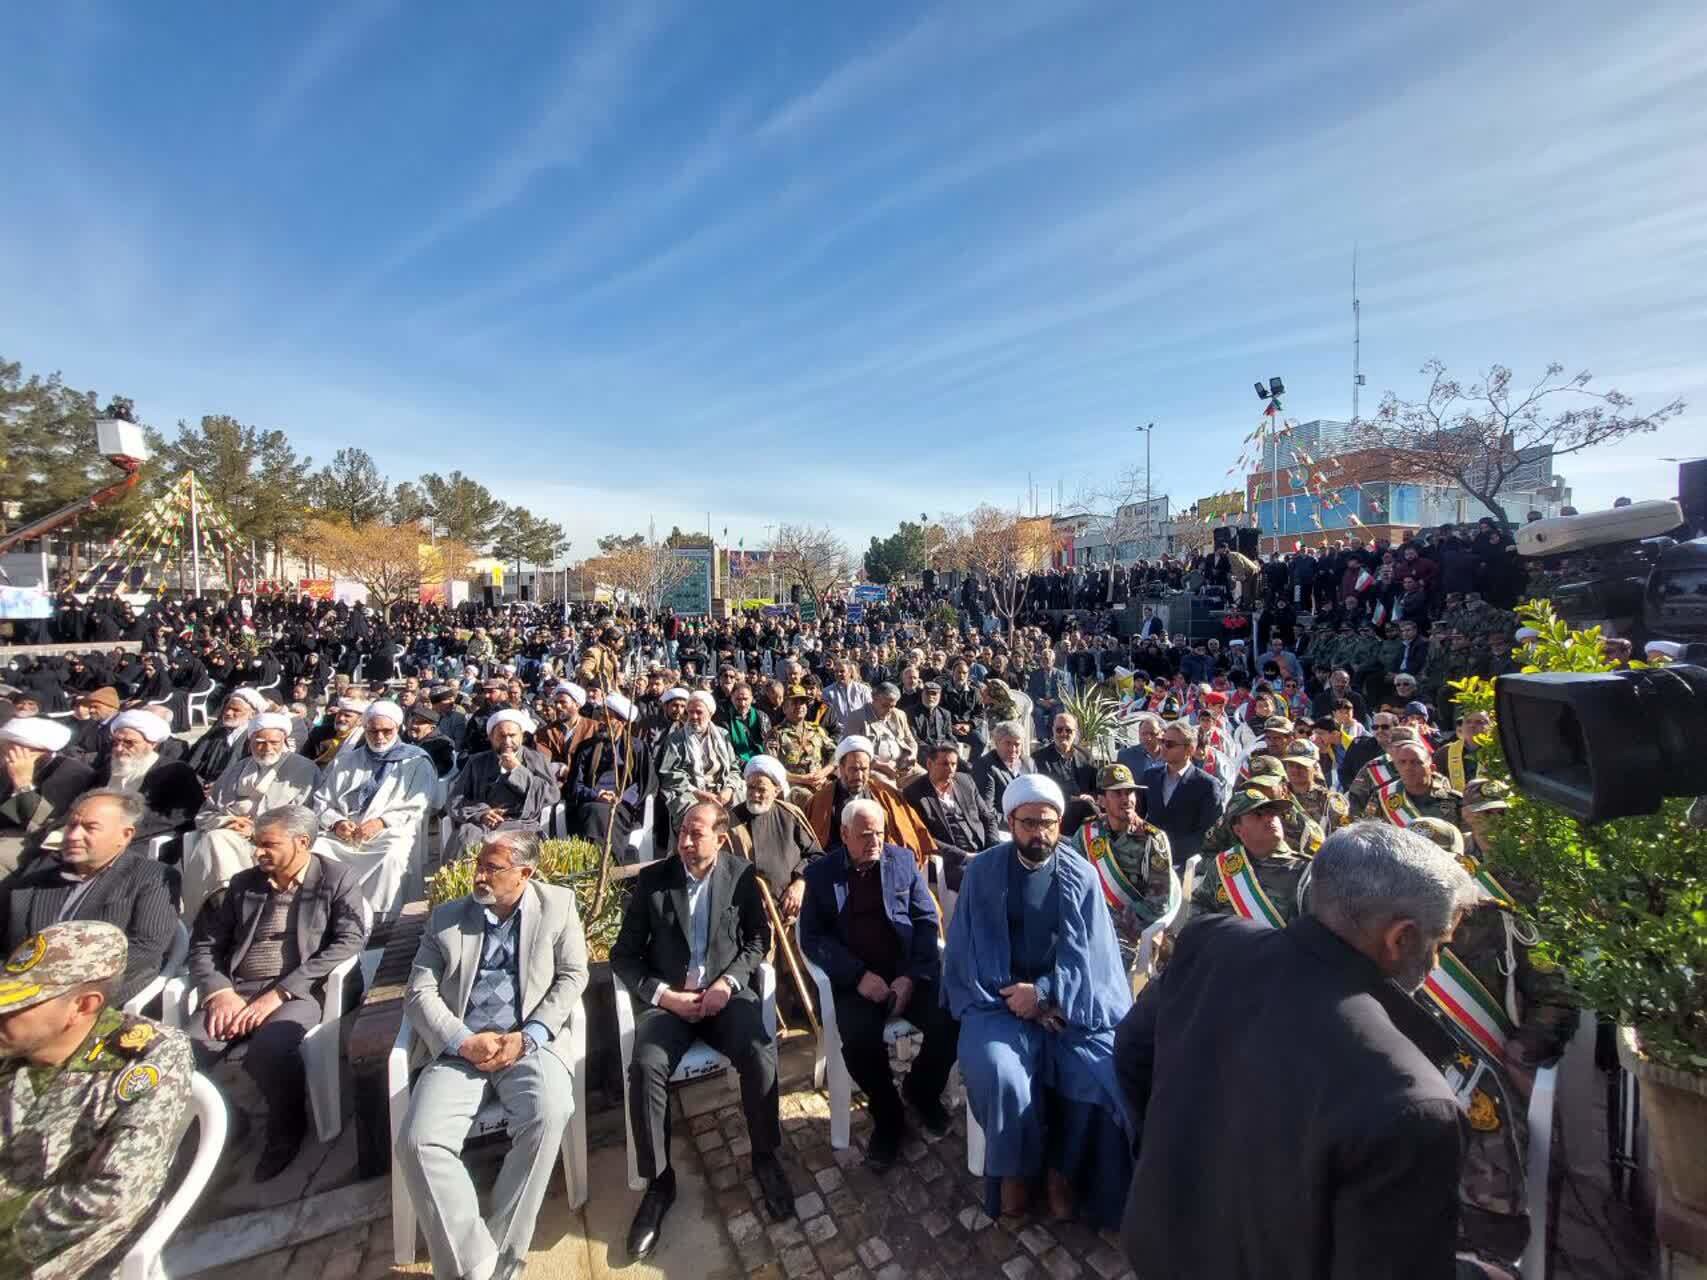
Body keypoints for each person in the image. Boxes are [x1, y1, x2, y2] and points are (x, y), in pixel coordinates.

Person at [1115, 823, 1501, 1280]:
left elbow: (1131, 1051)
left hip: (1157, 1241)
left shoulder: (1211, 943)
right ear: (1401, 938)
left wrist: (1165, 1154)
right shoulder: (1415, 1102)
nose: (1436, 962)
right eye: (1439, 945)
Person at [395, 826, 590, 1280]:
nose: (479, 876)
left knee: (551, 1112)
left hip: (527, 1043)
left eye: (492, 868)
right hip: (459, 1047)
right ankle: (477, 1263)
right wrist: (462, 1040)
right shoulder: (447, 918)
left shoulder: (558, 906)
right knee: (418, 1141)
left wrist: (532, 1034)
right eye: (478, 866)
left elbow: (573, 976)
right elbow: (419, 992)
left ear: (525, 873)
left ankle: (502, 1257)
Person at [943, 775, 1135, 1227]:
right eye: (1028, 823)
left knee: (1100, 1071)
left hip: (1069, 1005)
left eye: (1047, 823)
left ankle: (1061, 1174)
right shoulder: (983, 872)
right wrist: (1018, 998)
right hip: (997, 1001)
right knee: (1001, 1072)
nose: (1039, 834)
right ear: (1011, 822)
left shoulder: (1082, 876)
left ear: (1059, 823)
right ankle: (1016, 1175)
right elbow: (968, 950)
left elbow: (1093, 959)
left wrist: (1047, 994)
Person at [610, 801, 794, 1260]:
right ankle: (659, 1182)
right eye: (682, 833)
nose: (686, 842)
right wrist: (664, 996)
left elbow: (758, 940)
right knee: (646, 1066)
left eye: (696, 834)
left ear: (721, 838)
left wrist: (727, 985)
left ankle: (765, 1156)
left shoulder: (740, 876)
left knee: (759, 1051)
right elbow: (623, 955)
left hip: (722, 999)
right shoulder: (654, 881)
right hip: (671, 1004)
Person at [0, 921, 195, 1280]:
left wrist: (9, 1227)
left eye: (18, 1005)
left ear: (82, 1006)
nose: (2, 1013)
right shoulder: (12, 1051)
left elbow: (118, 1191)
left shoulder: (142, 1057)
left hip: (48, 1255)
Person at [187, 805, 370, 1179]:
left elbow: (349, 940)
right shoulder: (243, 885)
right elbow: (205, 945)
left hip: (302, 990)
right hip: (238, 990)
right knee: (181, 1052)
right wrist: (219, 992)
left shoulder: (335, 878)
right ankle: (227, 1120)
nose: (258, 852)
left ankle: (286, 1127)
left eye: (268, 844)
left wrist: (282, 992)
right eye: (256, 843)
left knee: (269, 1050)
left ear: (301, 842)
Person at [798, 797, 958, 1171]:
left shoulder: (901, 860)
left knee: (952, 1017)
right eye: (865, 834)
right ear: (844, 834)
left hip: (904, 972)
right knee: (858, 1042)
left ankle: (921, 1089)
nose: (875, 842)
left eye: (880, 834)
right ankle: (888, 1114)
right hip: (855, 980)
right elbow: (812, 937)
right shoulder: (821, 875)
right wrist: (856, 976)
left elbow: (925, 921)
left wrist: (910, 977)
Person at [0, 789, 179, 1006]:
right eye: (71, 825)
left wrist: (61, 980)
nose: (73, 836)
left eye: (90, 828)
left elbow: (145, 948)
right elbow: (10, 935)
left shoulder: (152, 877)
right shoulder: (40, 871)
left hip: (90, 994)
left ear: (125, 835)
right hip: (20, 984)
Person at [182, 712, 320, 924]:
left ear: (284, 740)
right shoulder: (237, 769)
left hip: (278, 841)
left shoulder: (304, 769)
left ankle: (233, 908)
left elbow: (306, 819)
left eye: (274, 742)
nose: (267, 748)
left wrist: (257, 830)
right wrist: (229, 821)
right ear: (250, 741)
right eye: (260, 742)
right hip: (232, 836)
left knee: (216, 841)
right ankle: (222, 907)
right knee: (215, 839)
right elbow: (205, 813)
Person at [311, 699, 435, 921]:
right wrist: (337, 823)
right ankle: (323, 915)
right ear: (365, 729)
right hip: (344, 835)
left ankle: (380, 920)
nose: (380, 737)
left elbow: (419, 803)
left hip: (389, 831)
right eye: (373, 731)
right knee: (317, 849)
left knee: (391, 856)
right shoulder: (346, 761)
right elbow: (322, 801)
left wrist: (381, 822)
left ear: (398, 728)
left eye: (387, 731)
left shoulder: (416, 760)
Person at [1072, 763, 1172, 955]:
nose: (1126, 799)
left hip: (1129, 932)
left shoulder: (1152, 839)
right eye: (1117, 793)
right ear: (1101, 801)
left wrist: (1110, 923)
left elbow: (1157, 904)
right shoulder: (1087, 833)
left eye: (1130, 792)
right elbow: (1071, 880)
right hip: (1088, 922)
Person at [1189, 786, 1314, 927]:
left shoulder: (1305, 870)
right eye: (1258, 815)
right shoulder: (1225, 864)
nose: (1269, 818)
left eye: (1272, 813)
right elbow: (1199, 909)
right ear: (1238, 830)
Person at [444, 710, 562, 858]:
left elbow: (552, 795)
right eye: (501, 736)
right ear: (491, 737)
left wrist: (517, 771)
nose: (507, 741)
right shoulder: (476, 762)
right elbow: (455, 800)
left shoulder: (536, 759)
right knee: (466, 837)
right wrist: (482, 813)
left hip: (521, 824)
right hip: (482, 825)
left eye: (512, 736)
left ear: (522, 736)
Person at [804, 736, 937, 866]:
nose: (859, 776)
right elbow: (815, 847)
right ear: (841, 768)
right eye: (853, 769)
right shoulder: (821, 801)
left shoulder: (886, 794)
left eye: (864, 769)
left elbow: (910, 834)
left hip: (883, 863)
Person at [92, 710, 203, 858]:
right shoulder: (110, 765)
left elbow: (178, 817)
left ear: (152, 744)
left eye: (129, 743)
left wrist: (120, 829)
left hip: (143, 838)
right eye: (116, 742)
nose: (119, 748)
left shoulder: (176, 771)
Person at [727, 755, 822, 921]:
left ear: (776, 790)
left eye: (761, 789)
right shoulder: (731, 819)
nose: (754, 794)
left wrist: (800, 883)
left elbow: (815, 856)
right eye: (750, 787)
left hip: (791, 913)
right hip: (745, 915)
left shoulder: (790, 815)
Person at [899, 740, 1000, 891]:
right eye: (945, 764)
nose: (951, 769)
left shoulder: (965, 781)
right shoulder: (914, 793)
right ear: (929, 764)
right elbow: (922, 836)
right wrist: (964, 856)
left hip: (983, 849)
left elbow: (988, 816)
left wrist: (993, 847)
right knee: (979, 881)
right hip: (951, 860)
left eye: (954, 764)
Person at [0, 716, 96, 869]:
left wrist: (23, 783)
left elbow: (39, 824)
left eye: (11, 751)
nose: (5, 756)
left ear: (39, 751)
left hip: (29, 842)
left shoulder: (72, 773)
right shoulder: (5, 764)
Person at [654, 690, 745, 843]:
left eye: (699, 712)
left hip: (721, 791)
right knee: (696, 820)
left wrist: (729, 789)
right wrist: (698, 793)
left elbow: (734, 768)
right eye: (690, 712)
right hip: (690, 792)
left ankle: (735, 851)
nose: (694, 717)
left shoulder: (723, 735)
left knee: (741, 810)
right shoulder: (676, 739)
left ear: (710, 714)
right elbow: (669, 775)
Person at [1139, 721, 1220, 870]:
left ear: (1190, 749)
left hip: (1185, 865)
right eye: (1162, 741)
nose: (1163, 747)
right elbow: (1139, 816)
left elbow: (1207, 833)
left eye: (1170, 744)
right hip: (1148, 861)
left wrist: (1171, 853)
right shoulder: (1150, 776)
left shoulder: (1207, 785)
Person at [1365, 739, 1464, 830]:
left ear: (1432, 768)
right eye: (1402, 762)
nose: (1408, 768)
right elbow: (1370, 833)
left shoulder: (1454, 800)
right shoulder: (1383, 797)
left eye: (1416, 762)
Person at [183, 687, 266, 786]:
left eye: (236, 710)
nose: (228, 713)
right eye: (227, 708)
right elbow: (194, 761)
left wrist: (219, 785)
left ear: (252, 714)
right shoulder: (215, 734)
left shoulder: (253, 740)